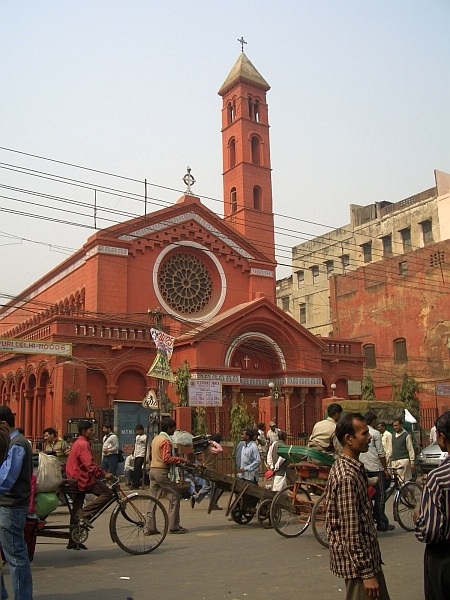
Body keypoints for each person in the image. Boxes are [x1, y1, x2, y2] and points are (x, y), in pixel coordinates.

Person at [326, 412, 391, 600]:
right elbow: (351, 531)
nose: (369, 437)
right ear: (349, 439)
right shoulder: (347, 476)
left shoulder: (353, 468)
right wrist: (367, 574)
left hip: (367, 562)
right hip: (359, 569)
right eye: (364, 434)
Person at [415, 411, 450, 600]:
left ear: (442, 437)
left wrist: (419, 519)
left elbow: (431, 531)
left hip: (443, 558)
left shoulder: (438, 478)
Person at [0, 406, 33, 600]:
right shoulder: (11, 443)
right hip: (6, 505)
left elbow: (8, 477)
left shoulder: (18, 444)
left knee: (16, 557)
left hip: (12, 506)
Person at [65, 420, 113, 550]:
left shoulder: (78, 443)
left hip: (74, 478)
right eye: (90, 430)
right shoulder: (83, 444)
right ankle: (85, 513)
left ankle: (73, 540)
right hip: (81, 479)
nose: (92, 432)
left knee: (76, 509)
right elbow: (89, 464)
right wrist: (104, 474)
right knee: (108, 493)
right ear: (83, 431)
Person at [145, 418, 190, 534]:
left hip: (153, 470)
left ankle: (150, 527)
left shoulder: (155, 439)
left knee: (152, 499)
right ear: (169, 428)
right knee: (175, 496)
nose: (174, 430)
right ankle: (174, 526)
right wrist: (181, 459)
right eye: (173, 428)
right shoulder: (166, 441)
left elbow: (150, 456)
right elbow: (167, 458)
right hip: (162, 471)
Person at [359, 412, 394, 532]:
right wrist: (385, 469)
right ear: (373, 421)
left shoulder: (359, 431)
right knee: (380, 497)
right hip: (375, 468)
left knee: (366, 496)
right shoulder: (375, 433)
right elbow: (381, 453)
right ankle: (381, 523)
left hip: (363, 468)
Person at [191, 434, 223, 509]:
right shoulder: (211, 448)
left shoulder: (205, 448)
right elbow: (220, 450)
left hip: (205, 468)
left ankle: (195, 498)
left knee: (207, 487)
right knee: (214, 487)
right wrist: (214, 443)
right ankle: (213, 504)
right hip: (210, 469)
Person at [391, 417, 415, 482]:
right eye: (394, 426)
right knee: (395, 481)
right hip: (394, 461)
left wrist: (412, 462)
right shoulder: (393, 435)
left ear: (401, 425)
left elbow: (410, 449)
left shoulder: (406, 435)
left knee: (403, 480)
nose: (395, 427)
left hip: (403, 460)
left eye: (396, 425)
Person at [130, 424, 147, 488]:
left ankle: (135, 484)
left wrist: (147, 457)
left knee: (137, 469)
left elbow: (147, 447)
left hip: (142, 455)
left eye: (138, 431)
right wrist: (134, 454)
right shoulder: (137, 437)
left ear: (142, 430)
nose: (137, 432)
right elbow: (136, 446)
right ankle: (135, 483)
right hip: (137, 454)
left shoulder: (145, 437)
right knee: (136, 469)